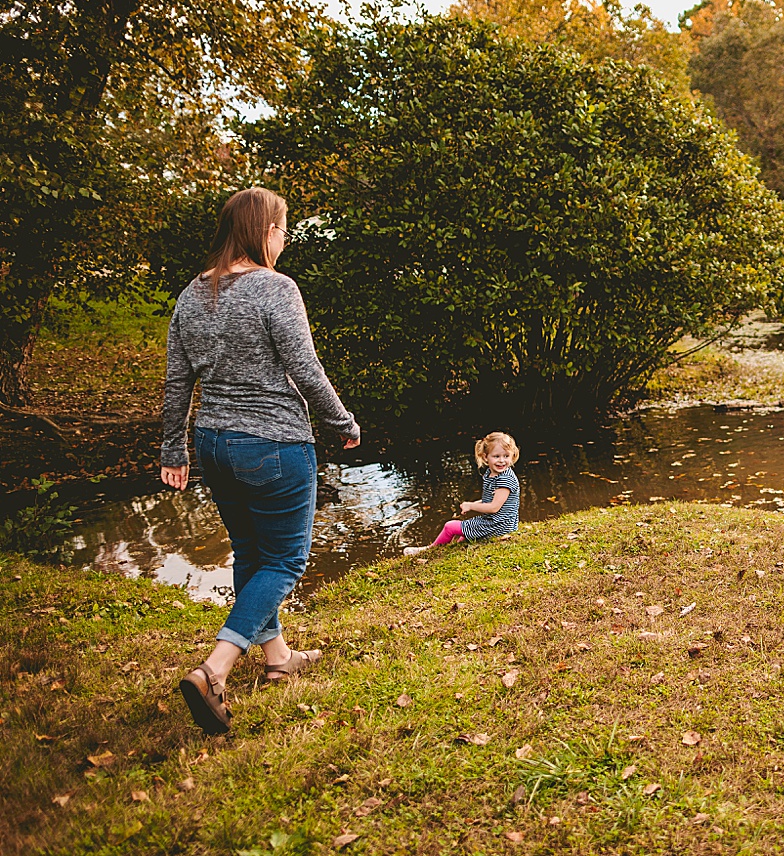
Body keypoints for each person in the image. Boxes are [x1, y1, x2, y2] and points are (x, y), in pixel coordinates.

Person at [160, 186, 361, 735]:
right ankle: (214, 670)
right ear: (261, 231)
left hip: (214, 445)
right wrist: (341, 422)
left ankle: (278, 658)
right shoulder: (275, 288)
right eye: (281, 227)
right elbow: (305, 366)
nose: (285, 237)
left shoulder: (190, 294)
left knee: (251, 551)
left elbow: (178, 380)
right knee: (286, 559)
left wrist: (173, 448)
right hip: (273, 444)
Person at [405, 432, 521, 553]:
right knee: (463, 536)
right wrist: (473, 504)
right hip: (495, 522)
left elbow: (494, 507)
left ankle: (428, 550)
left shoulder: (505, 479)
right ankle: (458, 543)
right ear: (485, 457)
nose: (502, 461)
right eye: (496, 456)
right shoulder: (492, 474)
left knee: (449, 527)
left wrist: (470, 505)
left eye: (506, 456)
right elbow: (492, 499)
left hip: (500, 526)